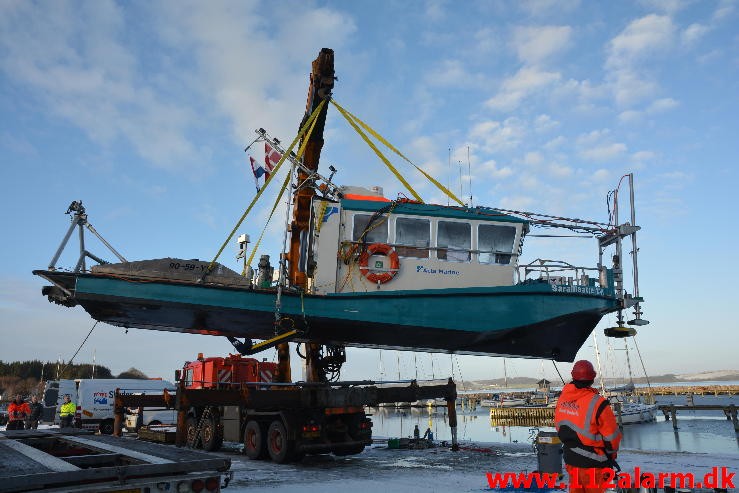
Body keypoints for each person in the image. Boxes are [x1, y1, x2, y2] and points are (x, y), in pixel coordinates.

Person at [554, 360, 622, 493]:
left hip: (571, 460)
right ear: (592, 378)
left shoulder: (563, 399)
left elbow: (558, 425)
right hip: (595, 464)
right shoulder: (598, 403)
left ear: (573, 376)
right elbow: (612, 437)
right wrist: (611, 455)